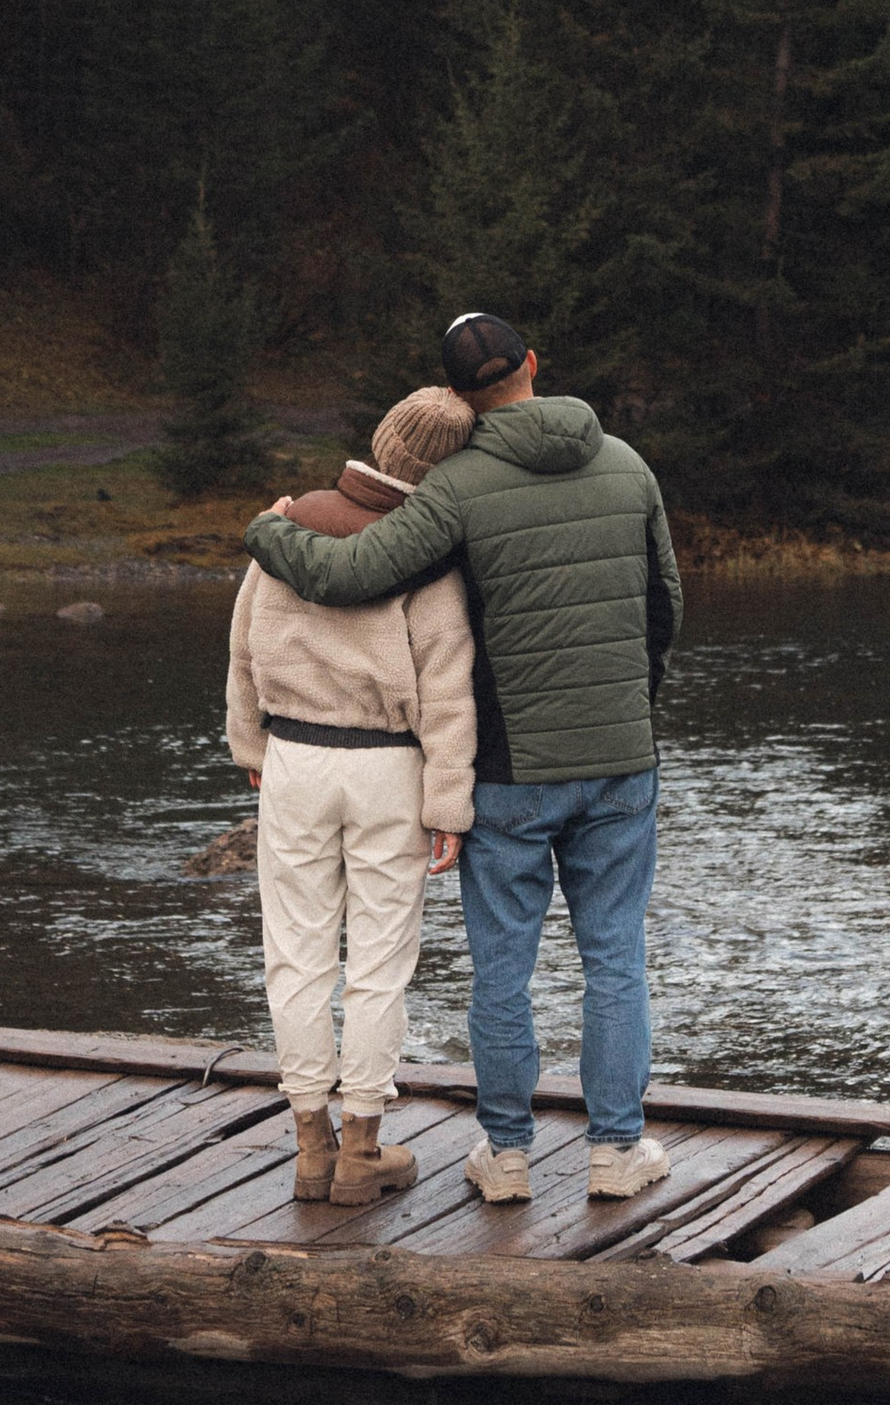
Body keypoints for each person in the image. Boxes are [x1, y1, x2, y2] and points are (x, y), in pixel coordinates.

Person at [244, 311, 681, 1208]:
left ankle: (508, 1157)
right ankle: (616, 1153)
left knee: (503, 968)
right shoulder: (629, 465)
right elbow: (664, 605)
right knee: (616, 958)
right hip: (619, 758)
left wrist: (269, 530)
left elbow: (348, 574)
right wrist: (632, 707)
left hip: (512, 771)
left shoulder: (459, 485)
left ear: (464, 398)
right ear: (531, 364)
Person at [226, 385, 479, 1207]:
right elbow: (447, 691)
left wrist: (251, 748)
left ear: (379, 440)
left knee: (294, 956)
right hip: (387, 768)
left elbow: (242, 650)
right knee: (378, 962)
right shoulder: (427, 554)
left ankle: (309, 1146)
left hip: (296, 757)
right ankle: (363, 1149)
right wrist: (449, 805)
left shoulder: (288, 522)